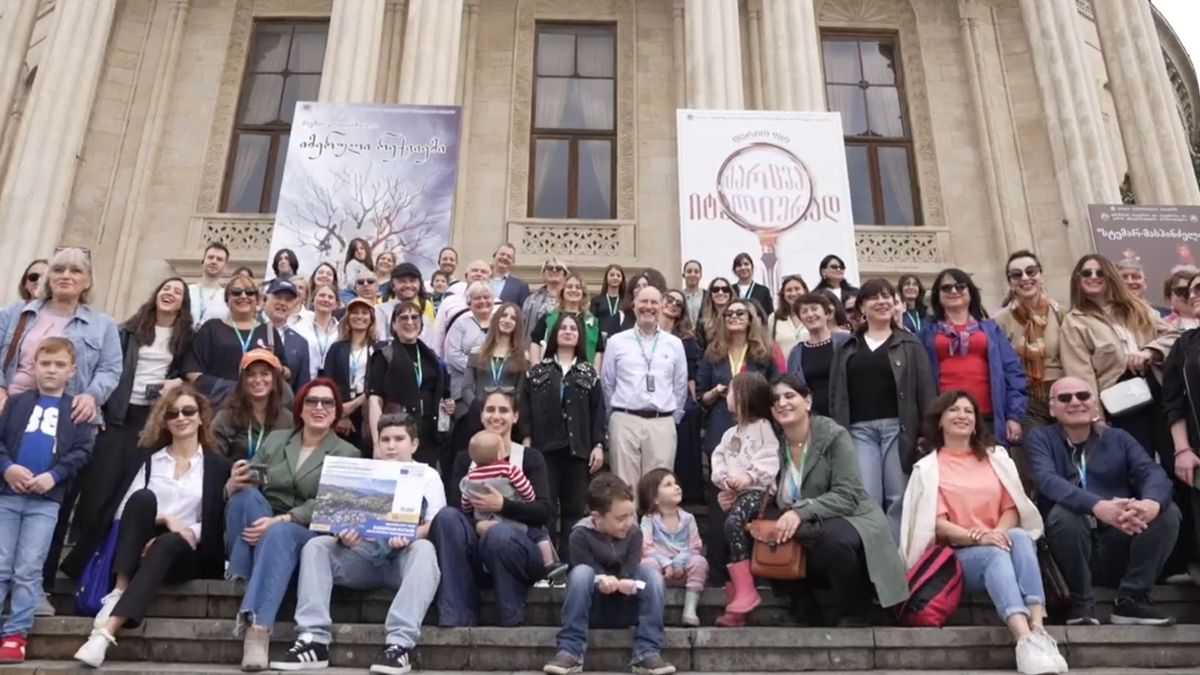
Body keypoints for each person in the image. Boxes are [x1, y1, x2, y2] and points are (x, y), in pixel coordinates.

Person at [899, 390, 1065, 675]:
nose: (962, 416)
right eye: (953, 410)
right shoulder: (928, 467)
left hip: (995, 541)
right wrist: (979, 537)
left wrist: (996, 534)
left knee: (1021, 537)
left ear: (976, 422)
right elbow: (937, 524)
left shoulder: (996, 458)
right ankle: (1022, 639)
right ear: (940, 421)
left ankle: (1038, 630)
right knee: (993, 554)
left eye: (968, 411)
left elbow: (1012, 508)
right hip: (956, 558)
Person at [69, 387, 231, 668]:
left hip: (188, 549)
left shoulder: (218, 466)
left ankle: (106, 633)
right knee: (143, 498)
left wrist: (185, 530)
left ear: (201, 417)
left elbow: (218, 520)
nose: (181, 417)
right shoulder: (148, 459)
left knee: (167, 543)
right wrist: (165, 519)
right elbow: (122, 510)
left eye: (188, 411)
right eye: (172, 413)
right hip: (139, 542)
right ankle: (119, 590)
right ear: (164, 421)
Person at [0, 246, 121, 616]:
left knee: (53, 503)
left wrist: (91, 395)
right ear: (48, 278)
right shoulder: (16, 314)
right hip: (13, 414)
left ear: (86, 282)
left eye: (75, 270)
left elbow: (111, 369)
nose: (65, 275)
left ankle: (37, 587)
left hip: (68, 421)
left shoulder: (102, 325)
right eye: (58, 270)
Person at [272, 413, 444, 673]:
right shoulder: (361, 472)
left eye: (399, 439)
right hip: (361, 556)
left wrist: (412, 535)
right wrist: (342, 535)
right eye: (385, 439)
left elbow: (436, 524)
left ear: (415, 444)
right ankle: (313, 640)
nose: (391, 445)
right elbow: (340, 521)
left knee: (425, 550)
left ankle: (399, 646)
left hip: (402, 558)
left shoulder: (428, 476)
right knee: (317, 547)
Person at [222, 379, 360, 671]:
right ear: (300, 408)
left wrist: (282, 519)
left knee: (281, 532)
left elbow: (329, 503)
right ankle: (255, 571)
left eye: (327, 403)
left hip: (306, 529)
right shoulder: (276, 440)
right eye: (312, 401)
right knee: (244, 497)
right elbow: (252, 477)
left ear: (336, 412)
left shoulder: (347, 453)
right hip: (265, 522)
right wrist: (232, 483)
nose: (319, 407)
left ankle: (258, 631)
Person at [1026, 377, 1180, 626]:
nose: (1075, 402)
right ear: (1052, 409)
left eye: (1083, 396)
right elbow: (1048, 480)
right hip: (1068, 548)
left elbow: (1152, 472)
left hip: (1117, 540)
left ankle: (1132, 599)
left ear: (1095, 405)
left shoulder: (1119, 438)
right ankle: (1081, 602)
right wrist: (1098, 506)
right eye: (1065, 398)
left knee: (1167, 512)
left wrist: (1150, 504)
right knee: (1066, 515)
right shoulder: (1040, 438)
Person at [765, 374, 908, 627]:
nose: (782, 403)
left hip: (850, 516)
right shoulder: (773, 444)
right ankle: (804, 607)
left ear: (807, 401)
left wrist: (801, 511)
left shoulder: (833, 435)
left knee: (833, 540)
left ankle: (855, 610)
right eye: (776, 399)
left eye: (790, 396)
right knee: (766, 531)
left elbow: (848, 493)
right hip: (803, 526)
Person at [76, 277, 194, 536]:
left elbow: (188, 375)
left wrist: (176, 380)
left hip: (152, 416)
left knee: (133, 481)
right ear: (156, 294)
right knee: (101, 480)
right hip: (118, 412)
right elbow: (106, 369)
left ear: (182, 304)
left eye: (177, 292)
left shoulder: (186, 338)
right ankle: (83, 544)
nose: (170, 293)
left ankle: (113, 544)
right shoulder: (127, 330)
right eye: (165, 288)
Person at [0, 337, 94, 663]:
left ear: (72, 371)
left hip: (45, 502)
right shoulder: (16, 403)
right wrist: (7, 467)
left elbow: (83, 451)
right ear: (34, 366)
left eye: (59, 365)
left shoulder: (76, 411)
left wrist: (53, 476)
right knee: (0, 564)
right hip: (7, 498)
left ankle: (15, 633)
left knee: (28, 568)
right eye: (45, 364)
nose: (51, 370)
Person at [433, 389, 552, 626]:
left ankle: (510, 615)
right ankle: (458, 614)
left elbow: (544, 511)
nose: (495, 416)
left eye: (503, 410)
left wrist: (503, 505)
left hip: (518, 548)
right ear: (481, 415)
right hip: (478, 547)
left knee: (498, 535)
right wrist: (478, 525)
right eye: (490, 410)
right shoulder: (465, 460)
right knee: (446, 517)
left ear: (515, 416)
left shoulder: (530, 458)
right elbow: (459, 508)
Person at [829, 278, 935, 540]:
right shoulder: (847, 345)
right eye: (874, 297)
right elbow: (836, 394)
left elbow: (926, 391)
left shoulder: (909, 343)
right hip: (859, 431)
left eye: (888, 296)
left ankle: (897, 565)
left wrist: (928, 432)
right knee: (868, 498)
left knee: (899, 497)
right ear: (862, 306)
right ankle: (874, 564)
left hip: (899, 430)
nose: (882, 301)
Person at [542, 474, 675, 675]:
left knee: (652, 575)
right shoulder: (579, 535)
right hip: (593, 606)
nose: (629, 522)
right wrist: (601, 579)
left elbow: (631, 568)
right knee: (580, 573)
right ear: (597, 517)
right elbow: (586, 568)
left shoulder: (634, 533)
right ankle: (570, 651)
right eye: (621, 518)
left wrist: (623, 582)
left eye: (631, 515)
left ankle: (646, 652)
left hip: (626, 605)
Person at [1060, 254, 1177, 470]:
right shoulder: (1075, 322)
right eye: (1086, 273)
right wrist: (1095, 418)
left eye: (1099, 272)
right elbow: (1081, 376)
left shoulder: (1137, 308)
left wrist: (1149, 352)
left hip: (1158, 391)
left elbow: (1175, 337)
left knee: (1176, 460)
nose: (1093, 277)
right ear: (1078, 279)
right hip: (1120, 403)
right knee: (1139, 467)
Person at [522, 313, 606, 551]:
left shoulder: (589, 373)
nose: (568, 332)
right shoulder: (538, 371)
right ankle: (547, 564)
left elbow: (598, 411)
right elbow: (526, 409)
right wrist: (527, 440)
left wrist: (598, 445)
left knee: (574, 510)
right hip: (545, 450)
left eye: (573, 329)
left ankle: (570, 563)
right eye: (563, 328)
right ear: (554, 335)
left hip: (577, 450)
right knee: (545, 509)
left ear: (579, 336)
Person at [920, 268, 1028, 448]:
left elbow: (1013, 372)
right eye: (946, 288)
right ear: (938, 295)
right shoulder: (927, 332)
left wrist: (1014, 416)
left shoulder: (990, 329)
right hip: (945, 415)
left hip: (987, 415)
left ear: (970, 292)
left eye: (960, 286)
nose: (954, 291)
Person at [601, 287, 689, 490]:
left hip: (661, 422)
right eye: (643, 302)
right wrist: (613, 417)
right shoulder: (616, 342)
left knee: (659, 490)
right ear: (633, 305)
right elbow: (607, 383)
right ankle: (629, 523)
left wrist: (672, 419)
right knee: (625, 488)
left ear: (661, 306)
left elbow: (680, 385)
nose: (648, 307)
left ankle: (654, 524)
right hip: (625, 420)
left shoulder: (674, 344)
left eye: (653, 302)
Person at [710, 372, 779, 625]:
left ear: (744, 397)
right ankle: (739, 599)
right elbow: (718, 458)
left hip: (758, 492)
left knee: (733, 525)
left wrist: (749, 477)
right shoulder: (730, 434)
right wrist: (724, 478)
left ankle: (747, 591)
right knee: (727, 533)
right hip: (738, 493)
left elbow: (771, 457)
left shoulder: (763, 428)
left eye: (731, 390)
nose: (727, 395)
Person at [461, 431, 567, 579]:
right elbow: (525, 487)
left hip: (486, 522)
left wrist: (470, 510)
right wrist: (529, 498)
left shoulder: (470, 476)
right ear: (499, 455)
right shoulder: (507, 468)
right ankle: (548, 564)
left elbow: (465, 500)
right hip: (514, 523)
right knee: (539, 533)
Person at [367, 301, 453, 470]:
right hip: (397, 436)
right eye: (403, 318)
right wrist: (378, 443)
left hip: (428, 437)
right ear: (393, 324)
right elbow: (374, 402)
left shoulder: (431, 357)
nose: (409, 322)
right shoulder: (384, 356)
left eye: (415, 317)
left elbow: (440, 392)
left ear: (421, 324)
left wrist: (448, 405)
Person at [183, 273, 288, 406]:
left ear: (257, 300)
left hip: (260, 406)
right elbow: (192, 371)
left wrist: (280, 368)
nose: (243, 296)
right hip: (219, 405)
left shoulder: (268, 331)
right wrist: (228, 388)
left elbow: (286, 371)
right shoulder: (211, 328)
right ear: (227, 299)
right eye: (236, 292)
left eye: (249, 292)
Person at [992, 251, 1065, 432]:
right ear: (1010, 282)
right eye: (1017, 274)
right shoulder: (1000, 320)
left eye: (1031, 271)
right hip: (1025, 399)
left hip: (1062, 395)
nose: (1025, 278)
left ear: (1040, 275)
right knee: (1037, 457)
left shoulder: (1060, 313)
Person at [1162, 270, 1200, 583]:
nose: (1192, 294)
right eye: (1189, 291)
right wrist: (1182, 449)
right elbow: (1173, 404)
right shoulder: (1185, 345)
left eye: (1199, 287)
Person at [637, 469, 705, 627]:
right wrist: (666, 563)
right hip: (660, 572)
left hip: (683, 571)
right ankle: (654, 611)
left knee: (699, 562)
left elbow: (695, 546)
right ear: (654, 498)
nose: (676, 487)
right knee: (646, 565)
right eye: (668, 485)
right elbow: (645, 548)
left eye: (676, 483)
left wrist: (679, 561)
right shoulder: (649, 520)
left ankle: (690, 609)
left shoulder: (688, 519)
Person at [458, 302, 528, 444]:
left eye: (513, 318)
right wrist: (481, 410)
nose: (507, 320)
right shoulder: (477, 353)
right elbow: (466, 388)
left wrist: (505, 411)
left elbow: (521, 392)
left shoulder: (523, 357)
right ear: (496, 319)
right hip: (477, 419)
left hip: (507, 422)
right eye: (504, 315)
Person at [211, 350, 294, 461]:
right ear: (243, 380)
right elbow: (213, 458)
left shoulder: (287, 419)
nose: (258, 380)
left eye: (265, 374)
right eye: (251, 375)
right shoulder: (227, 416)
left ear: (274, 379)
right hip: (233, 476)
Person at [323, 298, 378, 455]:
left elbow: (379, 382)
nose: (359, 316)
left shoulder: (379, 348)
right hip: (340, 411)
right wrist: (340, 414)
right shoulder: (336, 348)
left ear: (371, 319)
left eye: (364, 312)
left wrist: (356, 403)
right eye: (354, 312)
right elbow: (328, 381)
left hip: (367, 411)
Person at [785, 292, 850, 417]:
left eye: (814, 309)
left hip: (846, 415)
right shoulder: (796, 353)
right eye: (804, 311)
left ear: (827, 313)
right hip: (814, 420)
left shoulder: (846, 341)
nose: (810, 314)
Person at [531, 273, 605, 369]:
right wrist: (536, 367)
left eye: (578, 287)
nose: (573, 290)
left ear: (583, 293)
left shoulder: (592, 323)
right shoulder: (548, 318)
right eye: (569, 287)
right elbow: (535, 342)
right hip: (551, 375)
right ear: (562, 291)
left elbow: (597, 352)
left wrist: (595, 375)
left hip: (584, 377)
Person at [430, 259, 493, 357]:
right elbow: (438, 334)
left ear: (490, 278)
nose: (478, 274)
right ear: (466, 276)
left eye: (483, 272)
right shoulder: (449, 301)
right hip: (452, 364)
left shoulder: (498, 305)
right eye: (475, 270)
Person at [445, 281, 495, 404]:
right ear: (469, 303)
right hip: (464, 392)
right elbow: (453, 355)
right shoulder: (460, 324)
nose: (483, 301)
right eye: (477, 298)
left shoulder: (500, 324)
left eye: (486, 297)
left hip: (495, 390)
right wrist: (476, 369)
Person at [262, 278, 311, 392]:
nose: (282, 303)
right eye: (278, 297)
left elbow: (302, 386)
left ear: (294, 305)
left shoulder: (300, 342)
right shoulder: (250, 329)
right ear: (265, 299)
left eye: (288, 299)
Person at [290, 283, 340, 381]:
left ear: (336, 304)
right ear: (313, 300)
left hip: (333, 385)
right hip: (305, 382)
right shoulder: (298, 329)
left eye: (330, 297)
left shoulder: (341, 331)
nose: (326, 299)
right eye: (322, 295)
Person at [522, 259, 568, 342]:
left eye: (558, 268)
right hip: (533, 347)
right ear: (543, 275)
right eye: (549, 268)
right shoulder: (531, 300)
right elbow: (522, 325)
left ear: (565, 276)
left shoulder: (570, 299)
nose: (554, 270)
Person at [765, 275, 808, 356]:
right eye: (789, 290)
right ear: (783, 295)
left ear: (805, 291)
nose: (794, 293)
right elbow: (769, 347)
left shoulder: (813, 316)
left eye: (797, 289)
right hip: (783, 367)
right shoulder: (774, 318)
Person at [189, 242, 229, 324]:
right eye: (210, 257)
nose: (214, 261)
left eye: (219, 259)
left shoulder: (228, 297)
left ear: (225, 266)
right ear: (203, 260)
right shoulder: (187, 291)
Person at [730, 252, 775, 317]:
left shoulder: (763, 291)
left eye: (746, 264)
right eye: (739, 265)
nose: (743, 268)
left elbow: (770, 315)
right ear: (734, 270)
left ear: (752, 267)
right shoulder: (730, 290)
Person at [695, 277, 732, 352]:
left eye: (725, 289)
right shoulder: (703, 321)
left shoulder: (737, 317)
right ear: (710, 294)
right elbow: (699, 350)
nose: (720, 293)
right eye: (715, 290)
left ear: (730, 294)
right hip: (710, 361)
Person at [490, 243, 531, 308]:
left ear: (513, 262)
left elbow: (524, 313)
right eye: (502, 254)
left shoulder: (520, 286)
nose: (505, 258)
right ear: (494, 256)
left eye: (509, 257)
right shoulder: (481, 280)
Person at [1162, 266, 1200, 330]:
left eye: (1198, 289)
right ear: (1170, 297)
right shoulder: (1163, 327)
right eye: (1182, 291)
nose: (1191, 295)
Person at [590, 264, 626, 328]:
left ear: (622, 279)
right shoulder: (596, 300)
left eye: (618, 276)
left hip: (620, 335)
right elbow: (592, 322)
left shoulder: (625, 300)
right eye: (612, 275)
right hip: (601, 335)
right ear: (606, 277)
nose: (615, 278)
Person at [342, 238, 375, 303]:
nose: (359, 251)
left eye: (361, 248)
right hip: (351, 294)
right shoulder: (353, 263)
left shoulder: (366, 266)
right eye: (356, 250)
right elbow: (351, 282)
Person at [680, 260, 705, 326]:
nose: (692, 274)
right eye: (689, 271)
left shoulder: (707, 295)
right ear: (684, 274)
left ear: (700, 275)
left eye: (696, 272)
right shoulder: (679, 296)